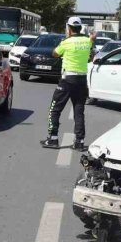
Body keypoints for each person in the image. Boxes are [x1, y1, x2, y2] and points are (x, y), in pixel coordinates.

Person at [41, 17, 96, 150]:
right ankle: (79, 142)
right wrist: (92, 40)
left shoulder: (66, 42)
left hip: (67, 80)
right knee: (79, 111)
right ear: (80, 27)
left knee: (55, 109)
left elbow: (54, 53)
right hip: (82, 81)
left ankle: (53, 139)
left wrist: (62, 46)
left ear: (69, 28)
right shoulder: (87, 41)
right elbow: (91, 51)